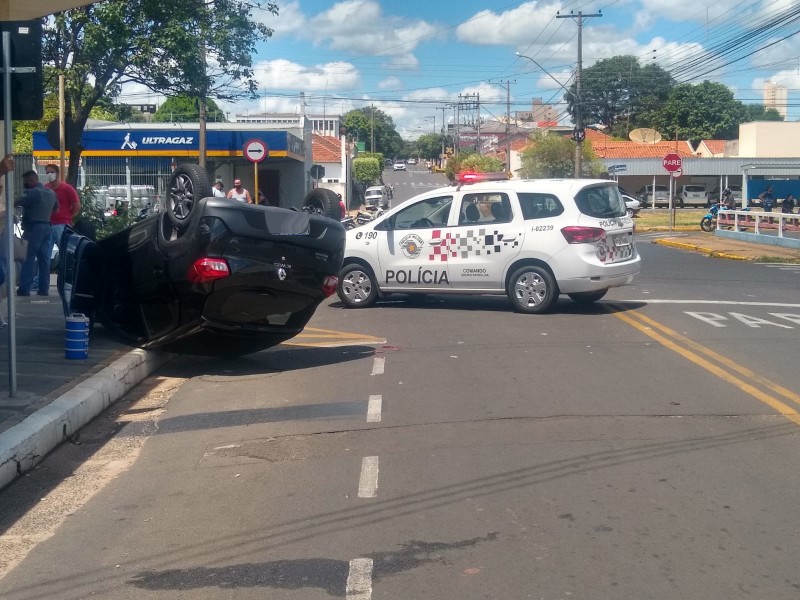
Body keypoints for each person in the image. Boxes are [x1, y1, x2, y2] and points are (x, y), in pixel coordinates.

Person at [15, 170, 57, 296]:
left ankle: (24, 289)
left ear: (32, 180)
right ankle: (44, 289)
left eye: (26, 181)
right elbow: (56, 209)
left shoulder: (32, 193)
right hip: (47, 227)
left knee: (27, 259)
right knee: (44, 260)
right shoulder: (52, 193)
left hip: (33, 228)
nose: (24, 184)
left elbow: (16, 203)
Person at [45, 163, 80, 265]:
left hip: (61, 224)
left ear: (57, 173)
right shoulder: (45, 189)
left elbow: (76, 206)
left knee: (64, 252)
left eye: (52, 172)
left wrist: (68, 217)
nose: (49, 174)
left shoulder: (66, 189)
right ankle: (40, 279)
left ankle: (66, 273)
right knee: (45, 253)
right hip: (47, 224)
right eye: (47, 172)